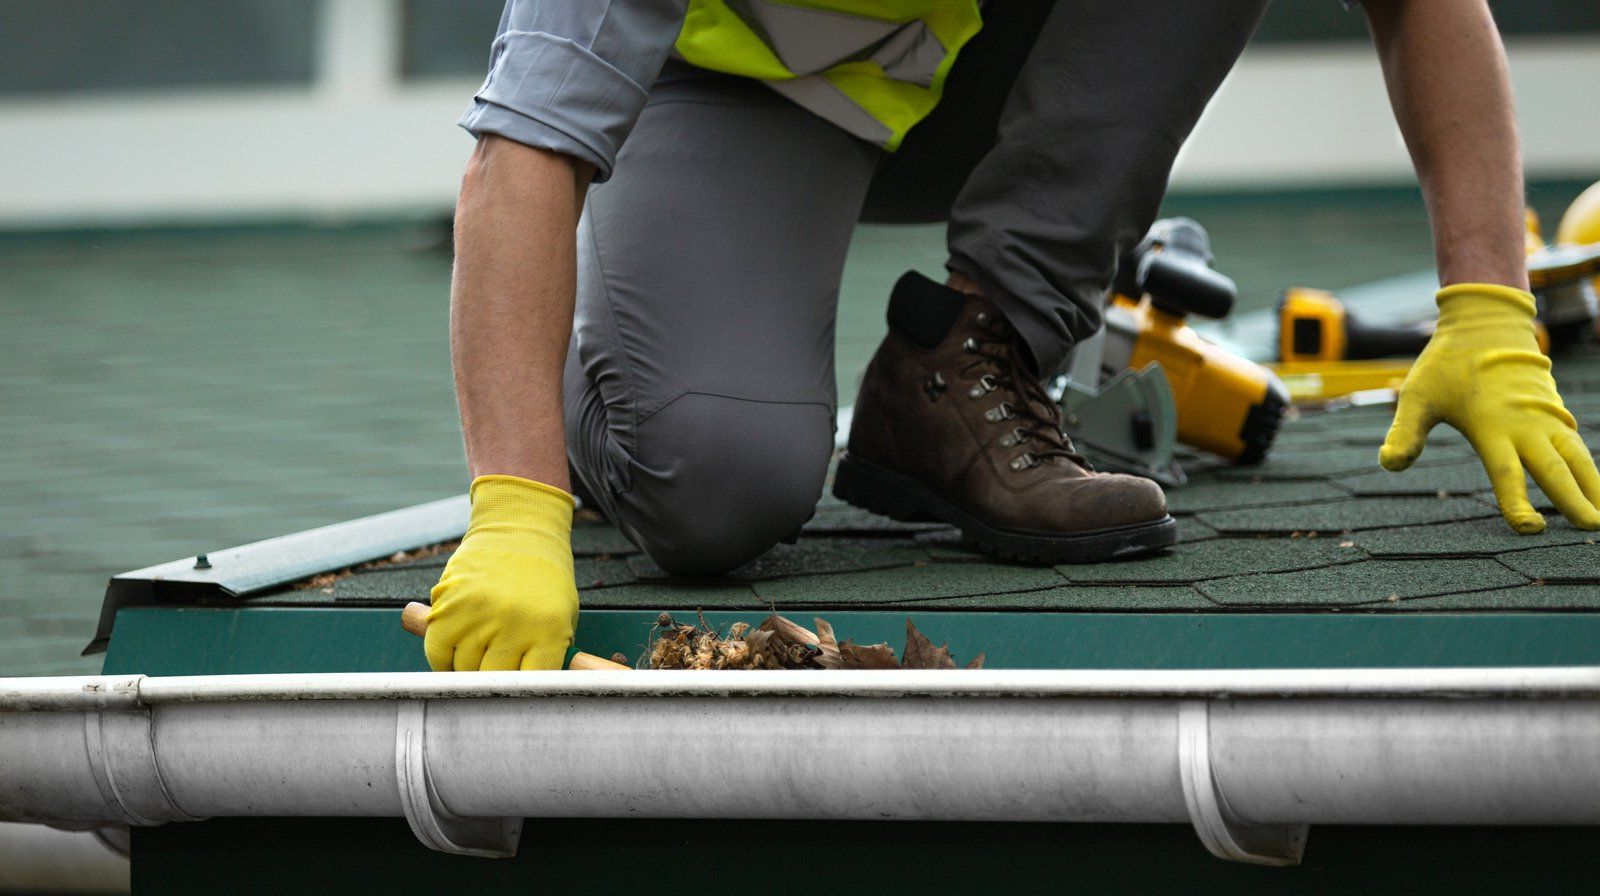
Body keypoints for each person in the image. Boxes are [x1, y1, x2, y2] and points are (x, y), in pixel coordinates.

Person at [423, 0, 1600, 673]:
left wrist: (1487, 304)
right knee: (713, 490)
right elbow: (519, 155)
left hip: (992, 54)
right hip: (747, 94)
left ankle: (976, 349)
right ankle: (603, 396)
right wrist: (518, 499)